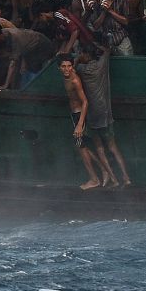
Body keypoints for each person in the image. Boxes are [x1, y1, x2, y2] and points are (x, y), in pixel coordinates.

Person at [75, 45, 133, 187]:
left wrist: (77, 60)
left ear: (85, 54)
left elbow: (75, 65)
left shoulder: (82, 70)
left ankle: (113, 179)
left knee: (100, 148)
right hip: (106, 114)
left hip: (93, 116)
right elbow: (107, 48)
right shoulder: (102, 64)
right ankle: (126, 177)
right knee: (113, 147)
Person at [59, 56, 115, 190]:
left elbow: (85, 102)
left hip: (80, 115)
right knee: (82, 146)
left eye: (69, 66)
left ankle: (94, 179)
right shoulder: (66, 77)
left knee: (81, 147)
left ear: (72, 67)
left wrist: (80, 124)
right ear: (59, 68)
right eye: (64, 66)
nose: (67, 69)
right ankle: (103, 170)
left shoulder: (75, 80)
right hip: (75, 115)